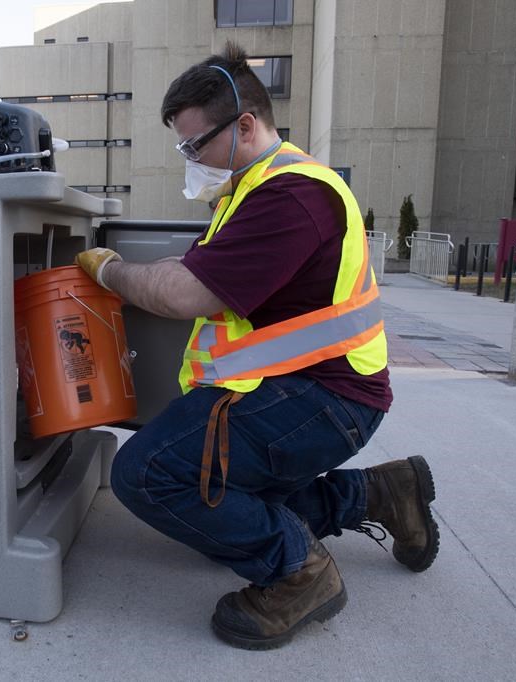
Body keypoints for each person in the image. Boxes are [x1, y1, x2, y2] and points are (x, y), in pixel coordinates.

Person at [74, 43, 439, 650]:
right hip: (311, 388)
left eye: (196, 144)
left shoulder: (290, 196)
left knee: (151, 474)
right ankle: (380, 493)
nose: (190, 159)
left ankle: (298, 573)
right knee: (228, 492)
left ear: (244, 125)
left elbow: (183, 292)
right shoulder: (253, 191)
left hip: (325, 398)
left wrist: (110, 271)